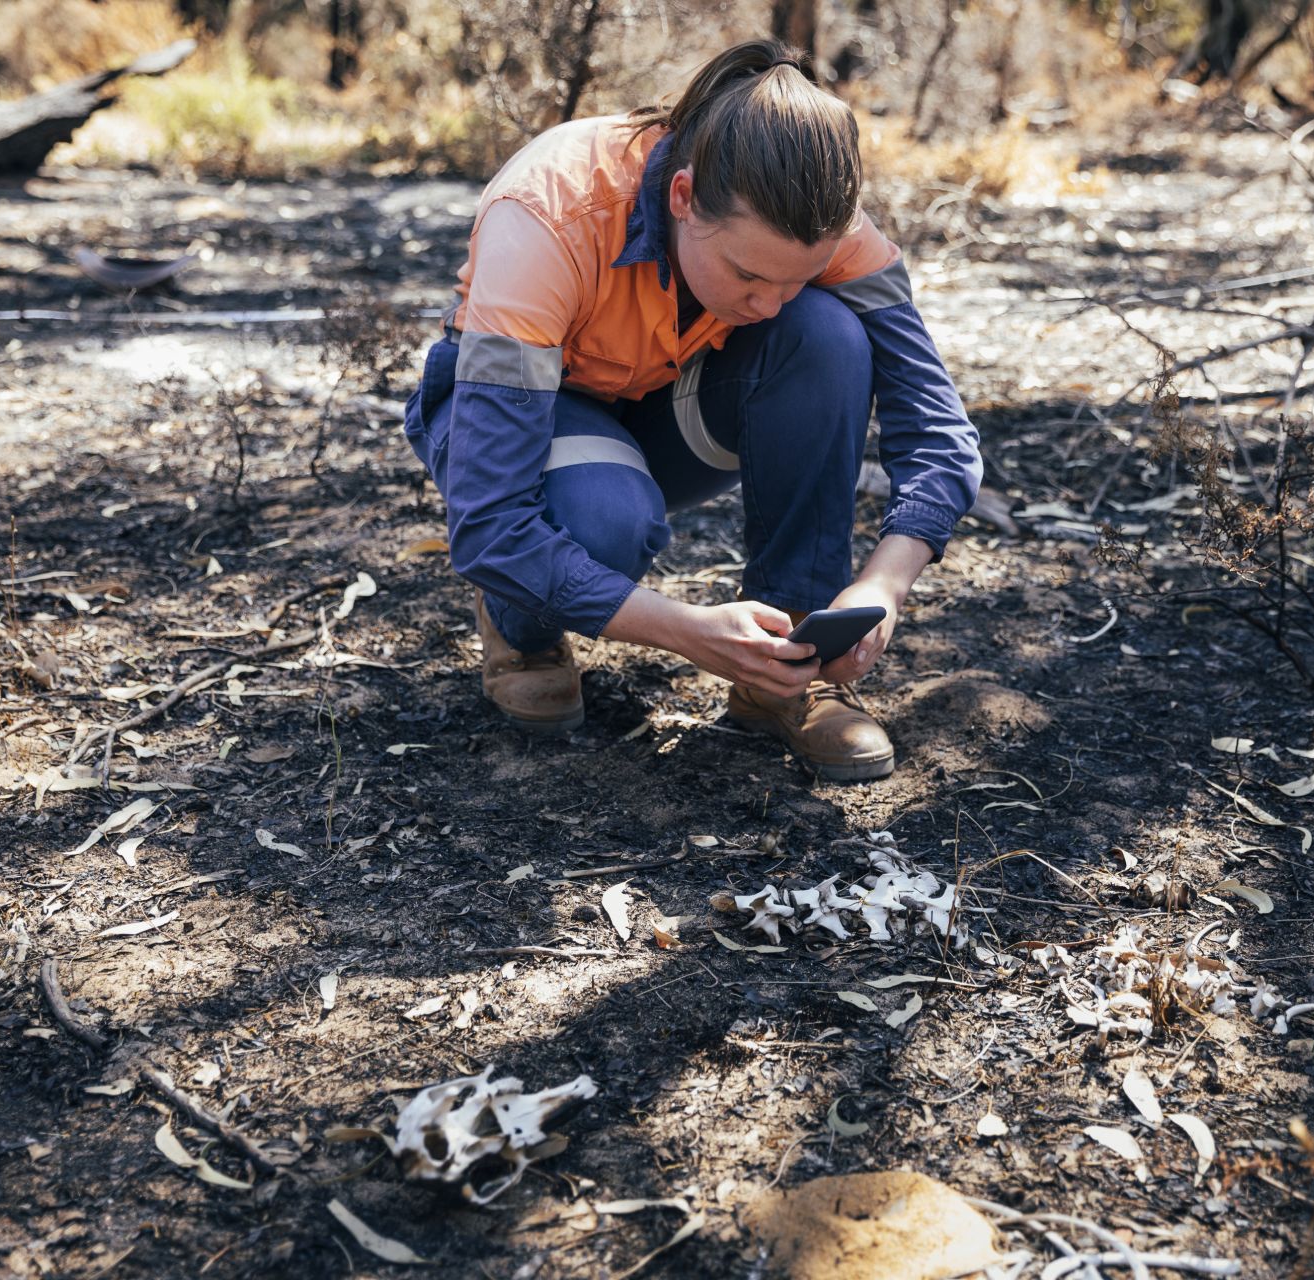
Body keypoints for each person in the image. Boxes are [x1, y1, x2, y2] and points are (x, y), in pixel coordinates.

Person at [402, 38, 983, 782]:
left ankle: (787, 659)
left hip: (661, 400)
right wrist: (688, 633)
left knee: (828, 334)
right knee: (605, 521)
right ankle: (523, 629)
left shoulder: (817, 223)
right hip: (530, 417)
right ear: (682, 197)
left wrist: (882, 586)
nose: (767, 303)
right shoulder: (547, 216)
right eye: (747, 274)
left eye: (794, 277)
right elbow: (490, 523)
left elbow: (938, 429)